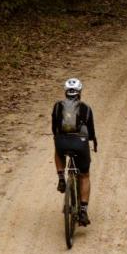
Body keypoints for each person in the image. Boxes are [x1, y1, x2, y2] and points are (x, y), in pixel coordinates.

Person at [52, 78, 97, 226]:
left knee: (58, 150)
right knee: (84, 175)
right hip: (80, 144)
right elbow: (90, 133)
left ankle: (61, 178)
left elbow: (54, 129)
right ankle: (83, 210)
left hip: (62, 142)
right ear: (80, 92)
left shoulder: (57, 106)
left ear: (66, 92)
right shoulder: (86, 108)